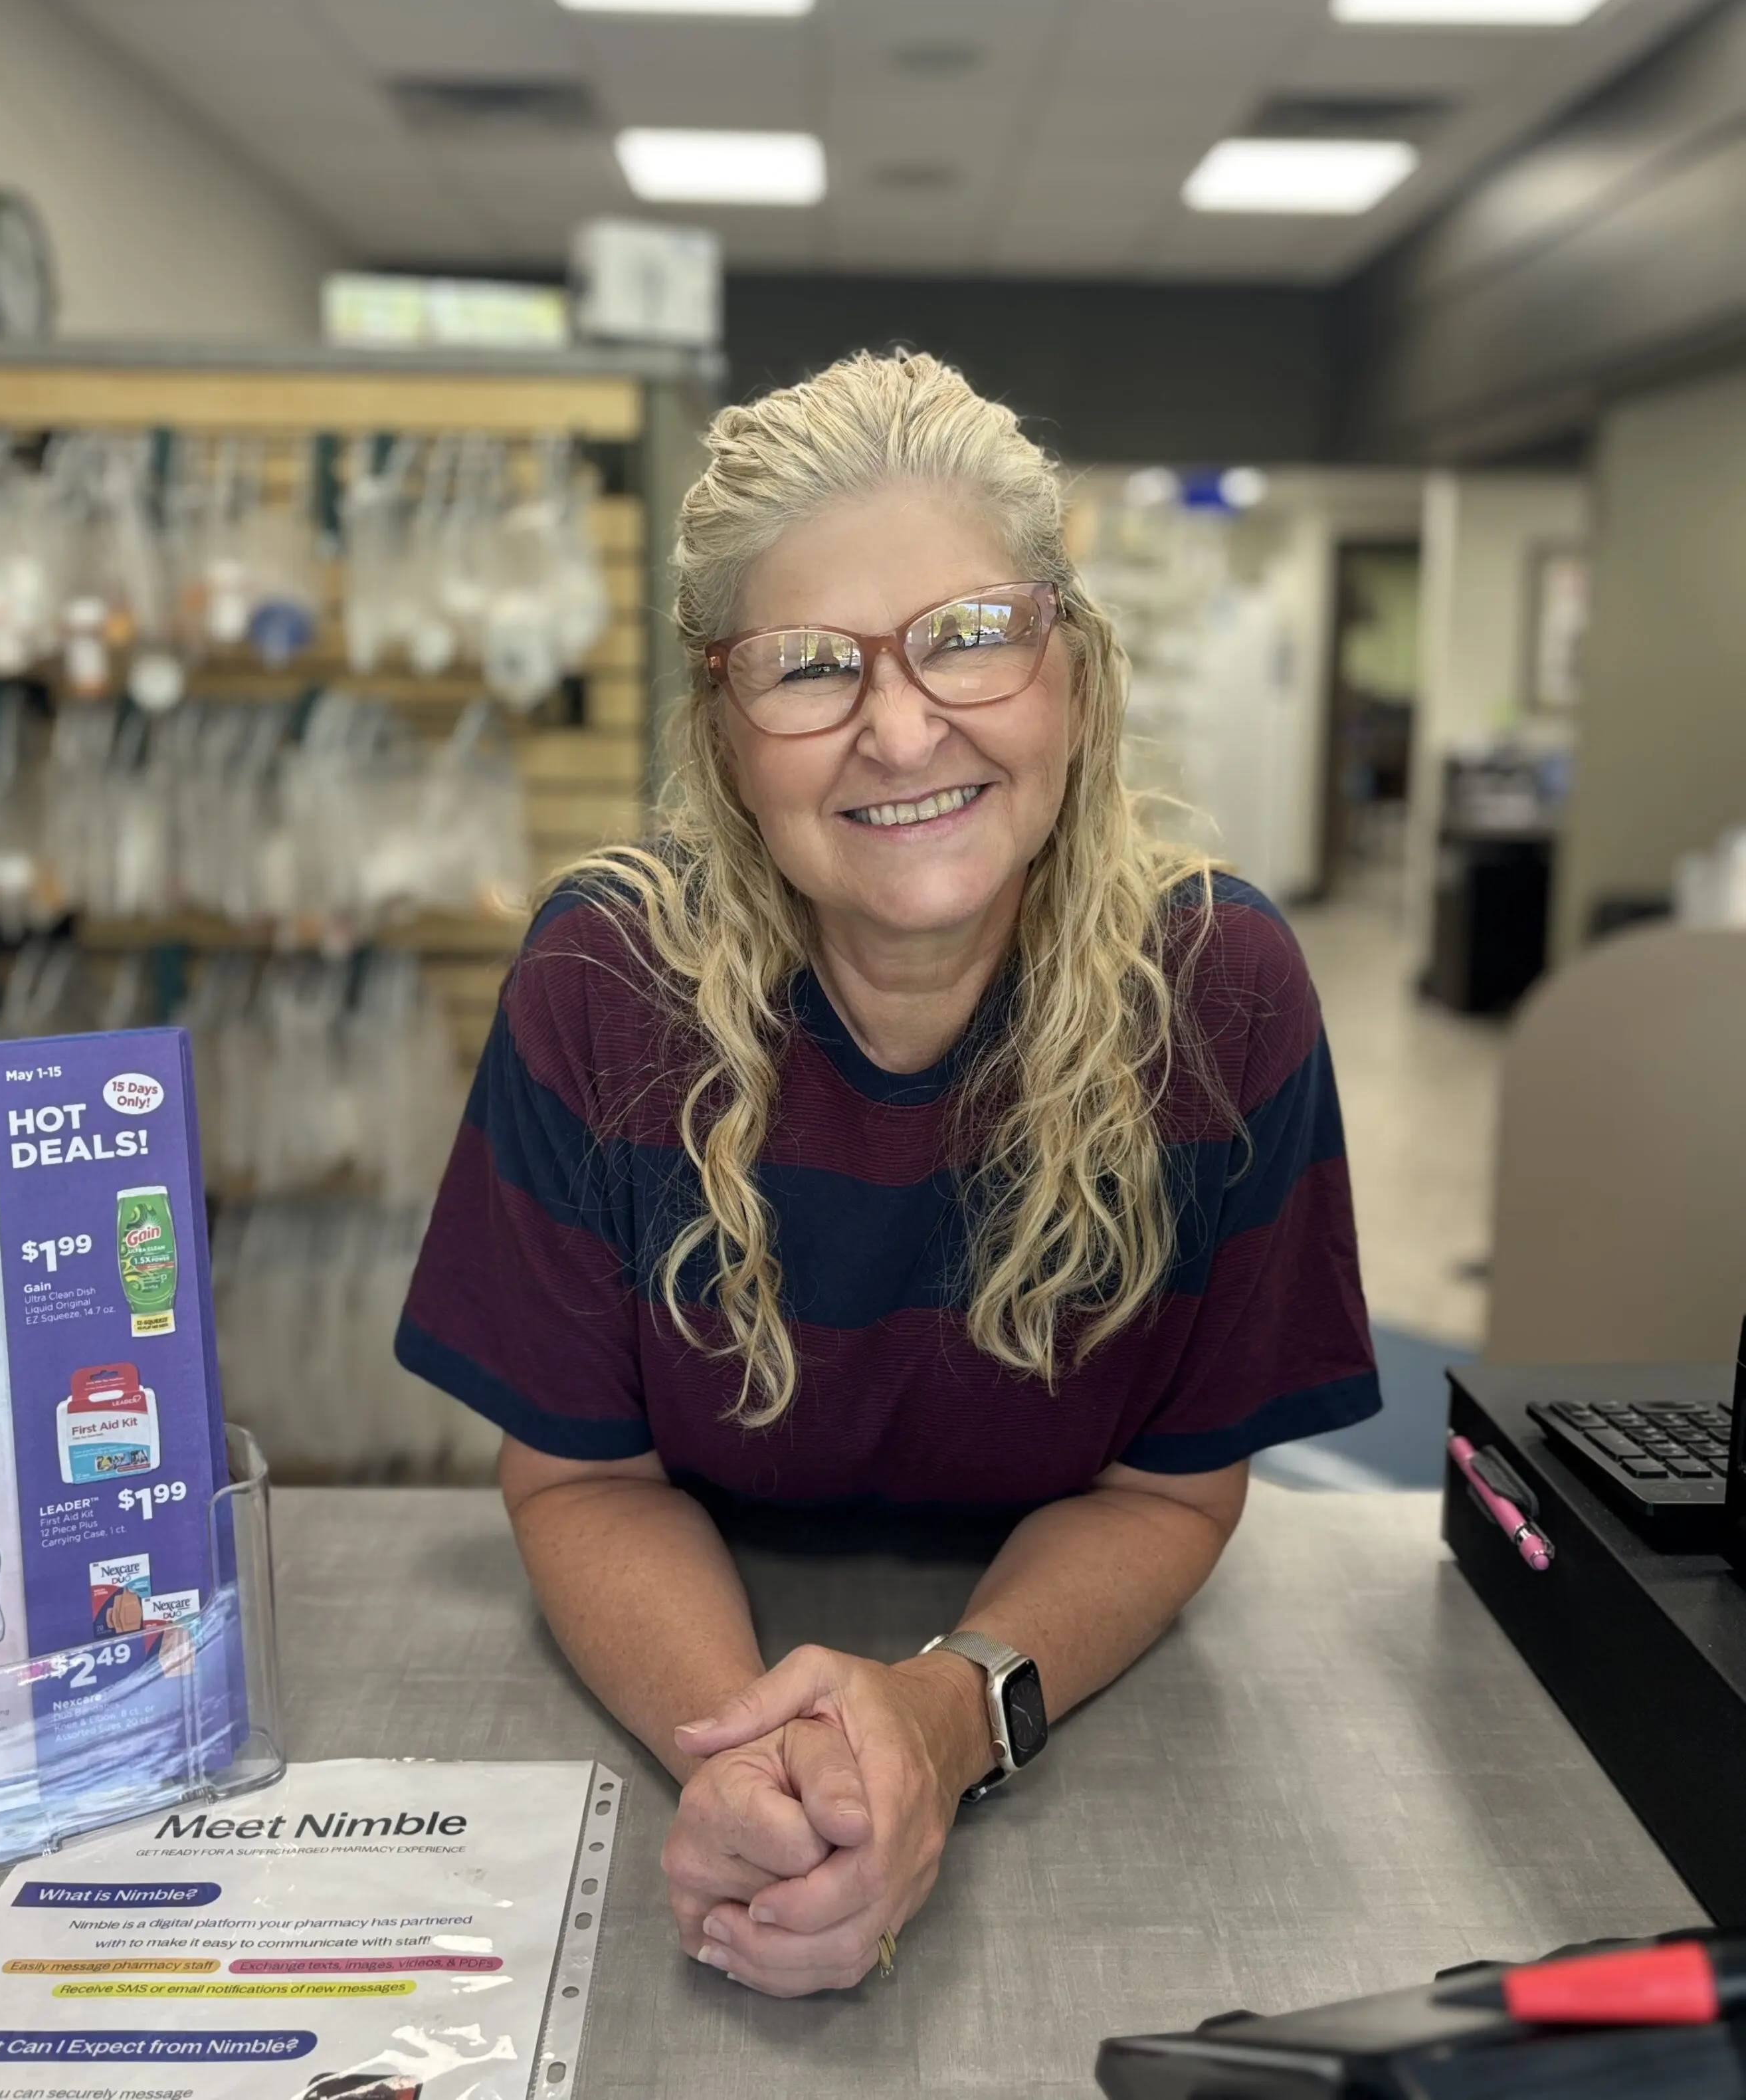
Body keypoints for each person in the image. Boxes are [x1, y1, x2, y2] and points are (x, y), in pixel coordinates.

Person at [396, 352, 1377, 1998]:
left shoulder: (1217, 990)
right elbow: (582, 1476)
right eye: (806, 668)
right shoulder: (604, 981)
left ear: (1069, 665)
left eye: (971, 635)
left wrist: (935, 1721)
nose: (901, 724)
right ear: (723, 722)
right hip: (692, 1642)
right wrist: (751, 1767)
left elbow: (1166, 1488)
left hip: (1069, 1691)